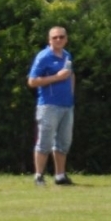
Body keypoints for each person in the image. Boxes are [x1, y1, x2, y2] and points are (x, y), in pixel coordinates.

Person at [27, 26, 75, 186]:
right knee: (45, 142)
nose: (58, 40)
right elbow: (32, 81)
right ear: (49, 40)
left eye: (61, 37)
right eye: (55, 37)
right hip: (48, 105)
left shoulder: (67, 55)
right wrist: (56, 77)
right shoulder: (43, 57)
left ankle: (60, 176)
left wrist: (71, 94)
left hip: (67, 105)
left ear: (66, 39)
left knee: (63, 142)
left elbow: (71, 75)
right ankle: (39, 176)